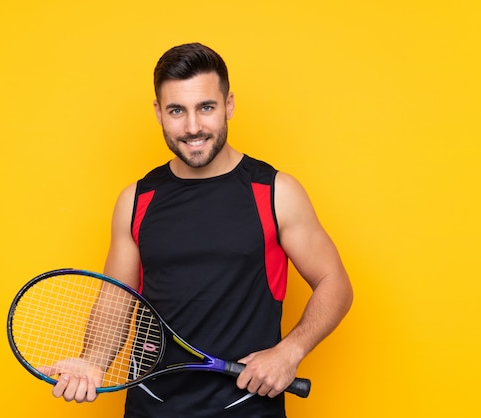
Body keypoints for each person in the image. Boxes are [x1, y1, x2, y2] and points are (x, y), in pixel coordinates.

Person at [43, 42, 353, 417]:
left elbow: (334, 283)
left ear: (229, 106)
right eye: (177, 110)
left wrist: (290, 352)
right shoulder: (137, 200)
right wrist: (93, 360)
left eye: (206, 107)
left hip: (247, 408)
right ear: (159, 113)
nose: (193, 127)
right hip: (151, 408)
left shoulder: (275, 192)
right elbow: (117, 300)